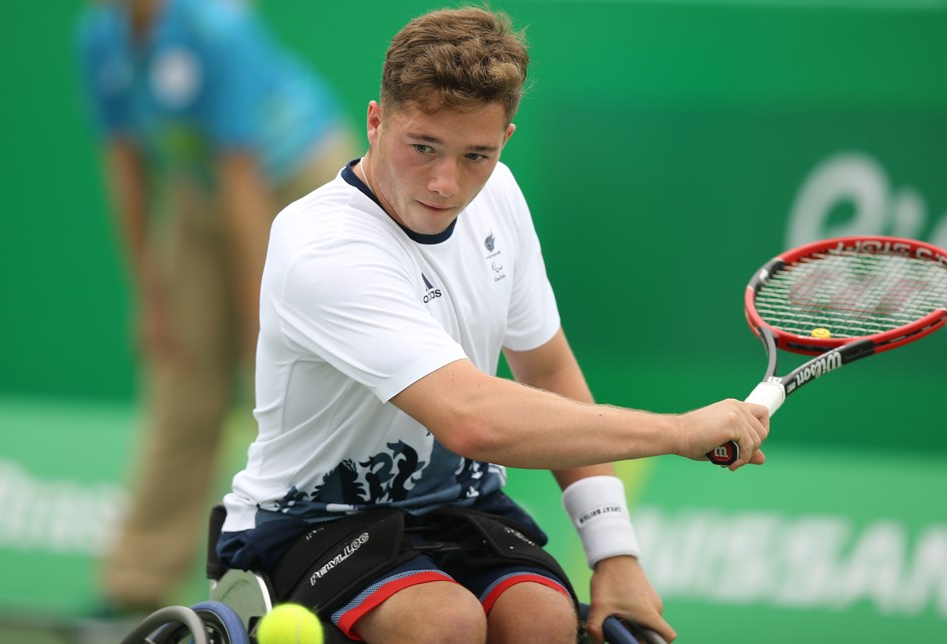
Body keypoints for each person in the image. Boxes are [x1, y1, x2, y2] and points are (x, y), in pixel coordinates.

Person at [217, 6, 770, 643]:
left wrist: (614, 555)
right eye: (422, 147)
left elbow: (548, 369)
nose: (445, 182)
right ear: (376, 121)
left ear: (504, 138)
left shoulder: (500, 195)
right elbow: (470, 418)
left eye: (475, 155)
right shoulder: (324, 246)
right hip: (312, 520)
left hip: (457, 508)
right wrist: (677, 431)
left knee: (540, 619)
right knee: (444, 621)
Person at [75, 0, 360, 612]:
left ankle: (335, 568)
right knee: (182, 378)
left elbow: (243, 178)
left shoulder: (220, 29)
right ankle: (135, 581)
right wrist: (150, 293)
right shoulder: (99, 36)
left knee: (296, 381)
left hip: (296, 188)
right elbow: (123, 163)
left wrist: (267, 315)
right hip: (203, 197)